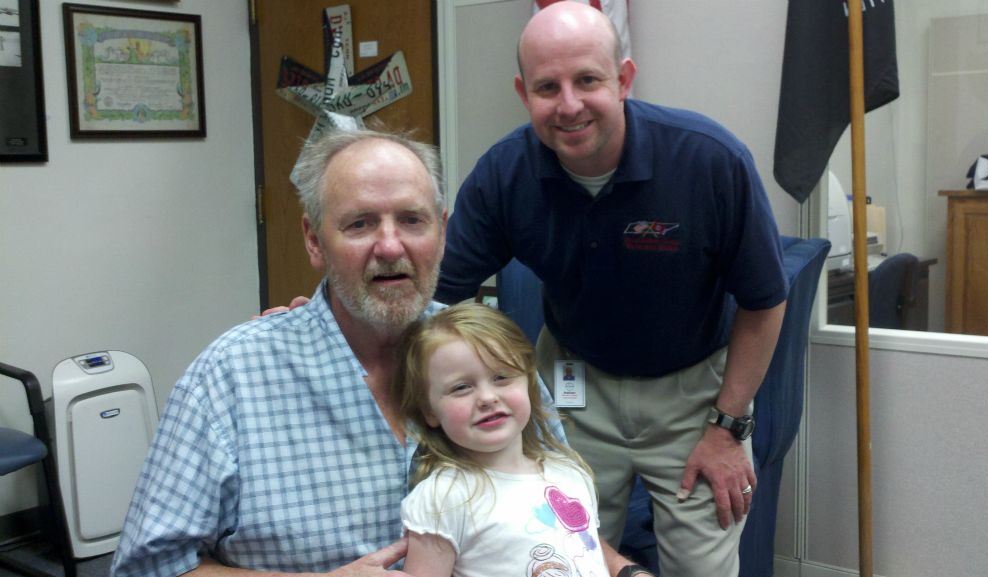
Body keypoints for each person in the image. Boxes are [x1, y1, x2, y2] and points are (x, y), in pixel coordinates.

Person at [434, 3, 789, 576]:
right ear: (524, 94)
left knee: (701, 569)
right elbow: (439, 297)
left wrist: (727, 428)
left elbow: (765, 300)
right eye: (547, 87)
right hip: (572, 386)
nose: (569, 105)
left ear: (623, 79)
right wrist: (329, 318)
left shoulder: (709, 160)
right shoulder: (504, 174)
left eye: (587, 80)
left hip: (696, 396)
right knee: (557, 558)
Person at [111, 129, 449, 577]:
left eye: (411, 220)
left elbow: (547, 509)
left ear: (442, 230)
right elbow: (149, 568)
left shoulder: (491, 357)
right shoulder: (233, 376)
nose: (389, 246)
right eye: (360, 224)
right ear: (314, 241)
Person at [392, 303, 609, 577]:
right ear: (429, 411)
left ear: (529, 383)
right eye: (461, 387)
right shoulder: (443, 498)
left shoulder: (570, 473)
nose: (487, 398)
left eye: (501, 377)